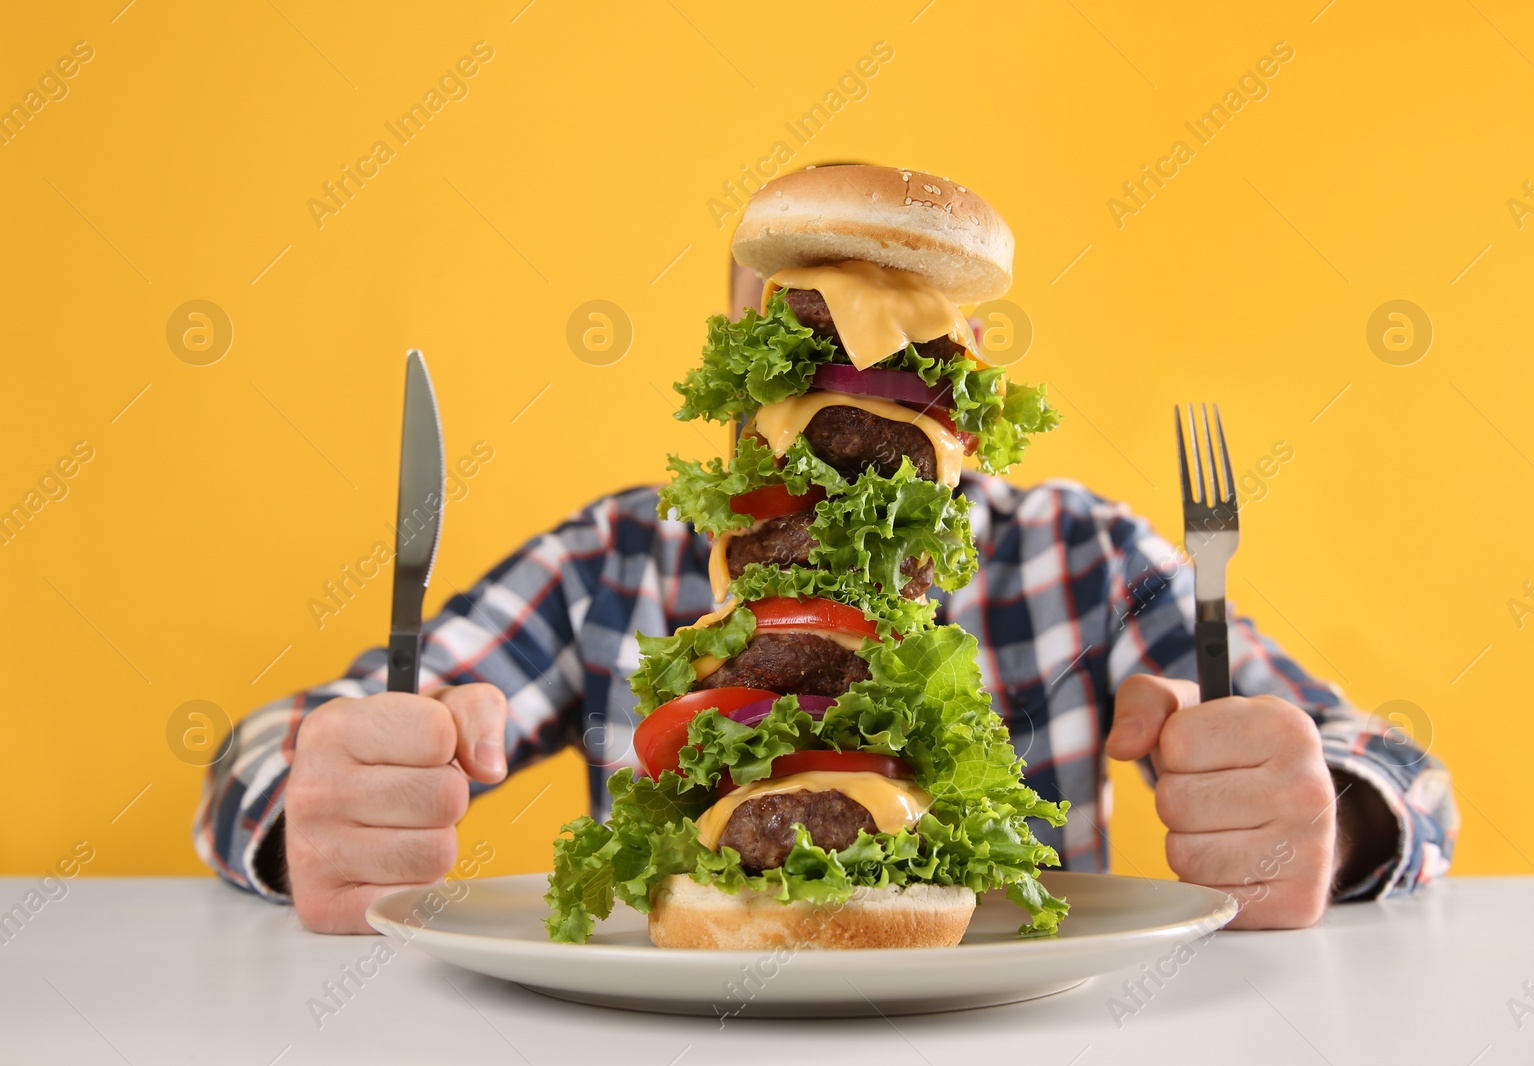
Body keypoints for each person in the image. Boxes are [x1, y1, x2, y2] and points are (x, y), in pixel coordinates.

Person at [195, 259, 1457, 935]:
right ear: (737, 362)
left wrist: (1324, 817)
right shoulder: (612, 558)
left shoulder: (1086, 554)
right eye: (805, 356)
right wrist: (321, 795)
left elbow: (1396, 766)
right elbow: (294, 740)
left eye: (897, 362)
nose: (850, 398)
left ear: (957, 391)